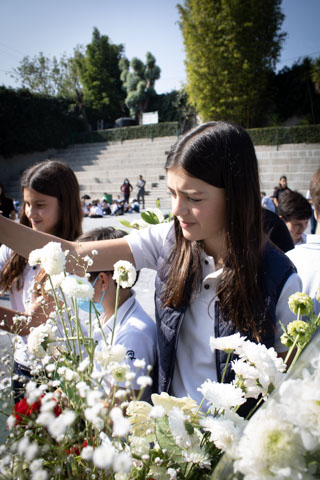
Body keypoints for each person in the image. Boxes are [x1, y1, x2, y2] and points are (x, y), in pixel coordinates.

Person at [0, 122, 301, 410]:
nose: (177, 210)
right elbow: (75, 254)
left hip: (230, 452)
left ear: (235, 194)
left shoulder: (281, 280)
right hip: (167, 437)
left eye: (193, 197)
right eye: (172, 194)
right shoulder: (167, 239)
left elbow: (282, 396)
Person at [0, 160, 82, 401]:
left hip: (60, 374)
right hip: (22, 365)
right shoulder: (13, 251)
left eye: (40, 205)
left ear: (65, 205)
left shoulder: (77, 256)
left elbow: (30, 323)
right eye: (26, 204)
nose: (30, 213)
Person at [78, 227, 156, 401]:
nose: (79, 283)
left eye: (83, 276)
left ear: (103, 281)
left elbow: (121, 408)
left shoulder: (132, 335)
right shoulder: (107, 314)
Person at [287, 168, 320, 315]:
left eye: (304, 223)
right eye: (296, 224)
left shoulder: (287, 262)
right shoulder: (287, 261)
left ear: (315, 213)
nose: (301, 228)